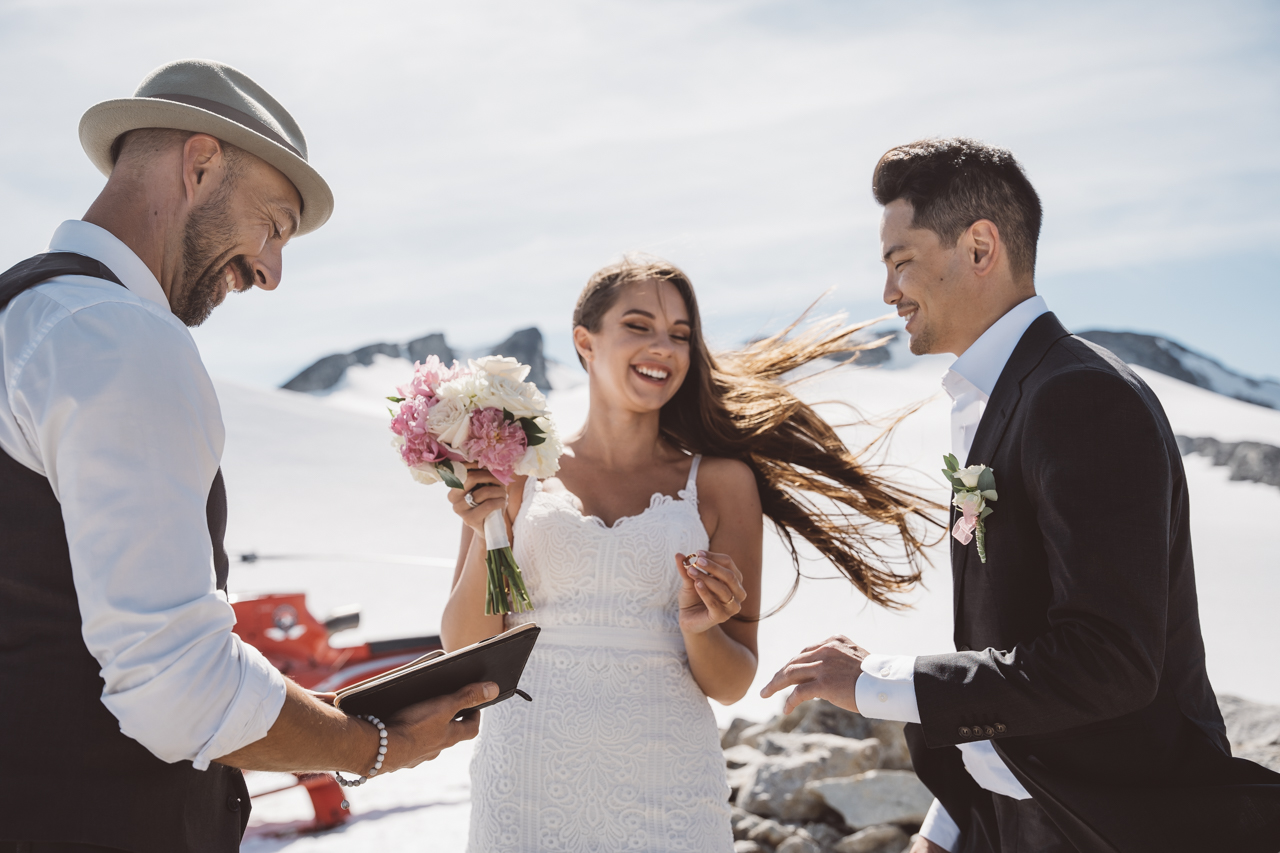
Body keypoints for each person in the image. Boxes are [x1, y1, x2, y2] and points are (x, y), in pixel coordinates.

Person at [0, 59, 493, 853]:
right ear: (199, 165)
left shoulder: (25, 316)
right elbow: (178, 689)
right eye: (272, 225)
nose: (270, 272)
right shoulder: (121, 338)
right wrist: (378, 743)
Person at [762, 138, 1280, 852]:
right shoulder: (1002, 398)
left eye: (900, 261)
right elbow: (1012, 654)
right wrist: (947, 829)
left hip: (1121, 826)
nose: (888, 293)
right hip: (1023, 824)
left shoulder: (1081, 395)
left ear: (980, 248)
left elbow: (1108, 661)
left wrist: (876, 681)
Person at [439, 254, 937, 852]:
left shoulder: (722, 483)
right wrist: (488, 527)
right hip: (524, 783)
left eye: (680, 334)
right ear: (585, 342)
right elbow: (465, 651)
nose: (664, 347)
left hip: (666, 790)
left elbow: (731, 682)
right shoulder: (514, 472)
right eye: (639, 326)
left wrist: (700, 627)